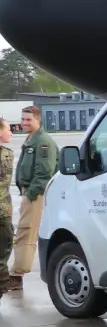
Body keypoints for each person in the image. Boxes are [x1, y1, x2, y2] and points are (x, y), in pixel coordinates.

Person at [10, 105, 56, 291]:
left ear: (38, 120)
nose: (24, 123)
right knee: (24, 232)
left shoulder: (43, 141)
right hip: (30, 193)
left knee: (26, 232)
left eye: (28, 119)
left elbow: (44, 172)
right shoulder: (31, 139)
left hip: (36, 194)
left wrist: (30, 194)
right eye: (22, 119)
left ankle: (16, 275)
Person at [0, 120, 12, 290]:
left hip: (4, 212)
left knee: (5, 248)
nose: (11, 133)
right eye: (9, 129)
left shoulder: (8, 154)